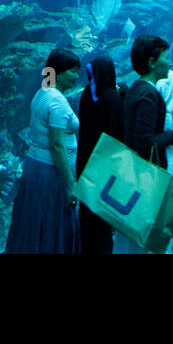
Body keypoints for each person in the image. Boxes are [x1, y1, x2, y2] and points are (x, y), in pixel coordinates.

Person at [6, 49, 82, 254]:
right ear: (57, 72)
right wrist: (70, 184)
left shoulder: (42, 92)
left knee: (32, 221)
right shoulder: (58, 102)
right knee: (52, 222)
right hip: (51, 172)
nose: (76, 76)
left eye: (77, 71)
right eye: (72, 71)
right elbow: (57, 145)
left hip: (35, 167)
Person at [119, 35, 173, 254]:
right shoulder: (149, 95)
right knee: (144, 242)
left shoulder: (136, 89)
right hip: (146, 181)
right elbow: (145, 144)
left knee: (130, 240)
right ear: (151, 62)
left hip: (132, 177)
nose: (170, 62)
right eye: (166, 57)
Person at [75, 54, 125, 254]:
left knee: (88, 217)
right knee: (103, 220)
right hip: (105, 167)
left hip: (86, 162)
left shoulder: (88, 93)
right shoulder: (112, 97)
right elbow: (117, 134)